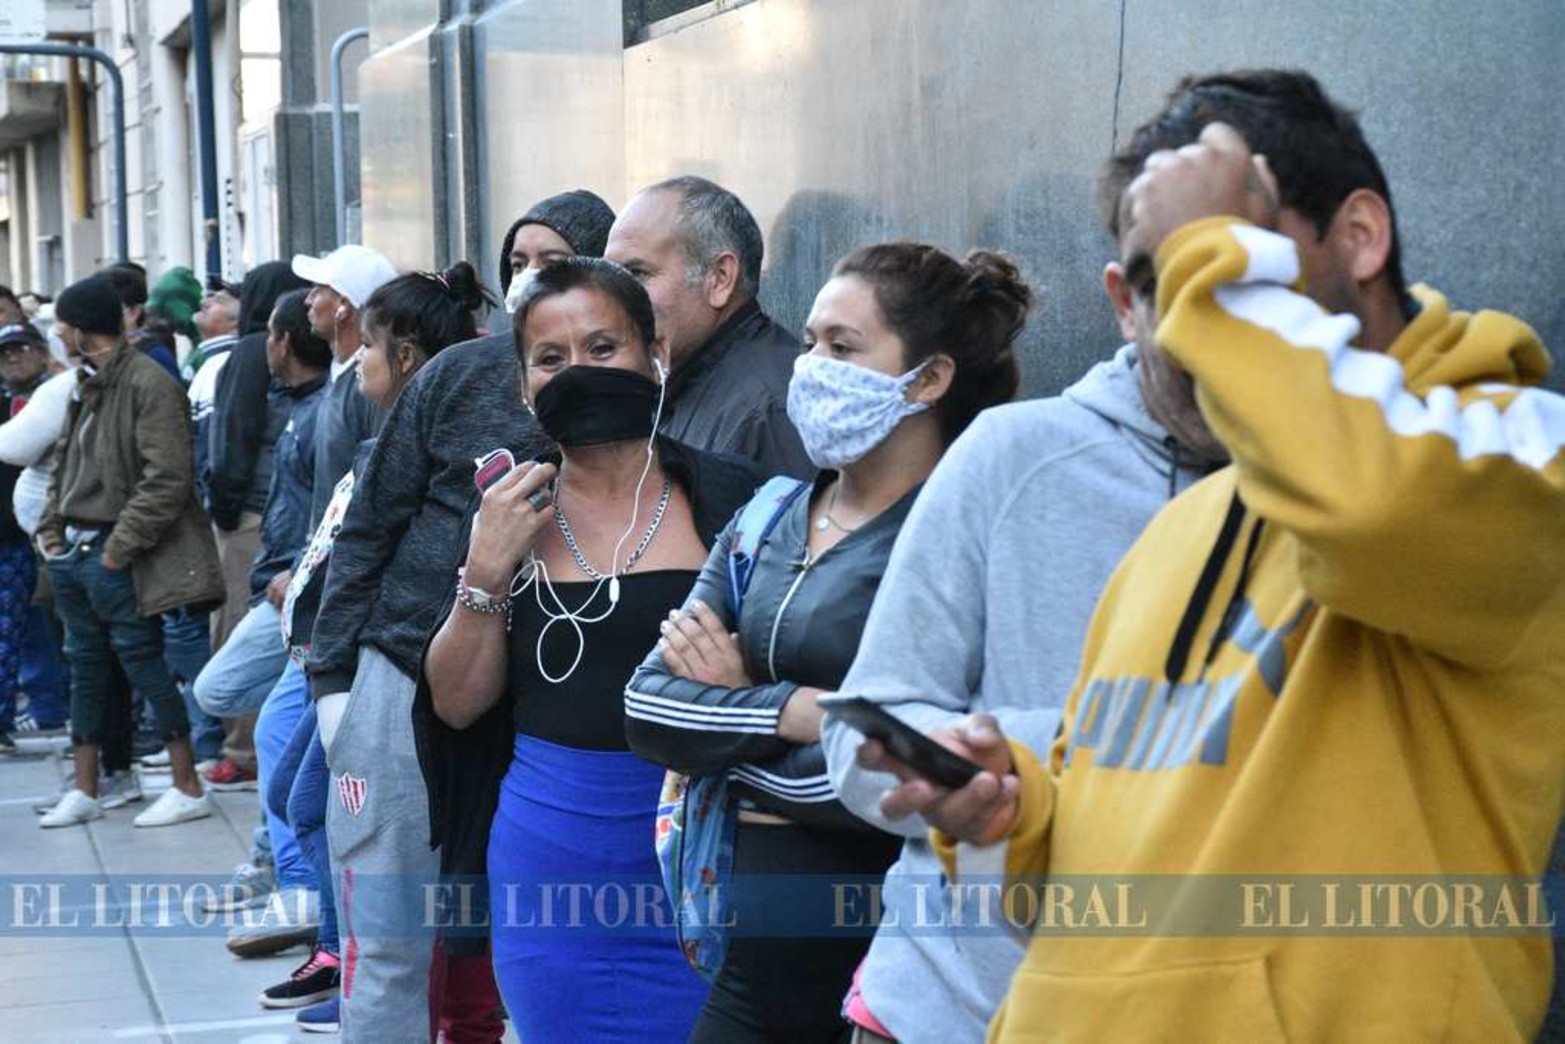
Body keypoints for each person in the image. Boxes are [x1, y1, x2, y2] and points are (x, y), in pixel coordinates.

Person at [865, 70, 1565, 1041]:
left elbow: (1370, 507)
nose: (1180, 322)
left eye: (1225, 254)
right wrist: (1008, 819)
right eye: (1158, 280)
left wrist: (1205, 271)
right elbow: (1075, 894)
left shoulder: (1521, 451)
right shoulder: (1178, 530)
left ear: (1359, 237)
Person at [816, 234, 1227, 1044]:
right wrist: (987, 768)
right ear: (1125, 302)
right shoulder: (1012, 456)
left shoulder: (1352, 501)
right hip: (949, 1006)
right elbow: (857, 732)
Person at [626, 242, 1030, 1042]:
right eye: (810, 341)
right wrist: (808, 714)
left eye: (841, 347)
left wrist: (733, 722)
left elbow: (914, 774)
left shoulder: (961, 536)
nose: (810, 366)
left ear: (929, 378)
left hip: (895, 952)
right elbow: (645, 705)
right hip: (750, 958)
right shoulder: (768, 516)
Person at [422, 256, 763, 1042]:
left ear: (657, 355)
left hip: (704, 853)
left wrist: (743, 681)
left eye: (603, 348)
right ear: (523, 387)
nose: (578, 371)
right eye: (551, 358)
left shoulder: (734, 500)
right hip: (551, 859)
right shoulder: (503, 512)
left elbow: (802, 666)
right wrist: (486, 573)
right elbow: (457, 702)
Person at [305, 192, 612, 1042]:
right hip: (401, 678)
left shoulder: (638, 395)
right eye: (517, 262)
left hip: (540, 705)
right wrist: (335, 684)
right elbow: (368, 526)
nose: (529, 279)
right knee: (391, 938)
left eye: (551, 260)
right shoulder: (458, 374)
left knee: (503, 932)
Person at [34, 273, 225, 829]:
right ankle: (87, 787)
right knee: (87, 670)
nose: (56, 332)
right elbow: (63, 466)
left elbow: (167, 477)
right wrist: (51, 533)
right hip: (75, 552)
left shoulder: (147, 383)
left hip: (115, 555)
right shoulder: (84, 382)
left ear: (79, 328)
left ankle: (188, 785)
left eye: (61, 324)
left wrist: (117, 550)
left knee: (144, 666)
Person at [192, 289, 332, 959]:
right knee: (228, 697)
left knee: (280, 729)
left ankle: (296, 882)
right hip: (281, 581)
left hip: (300, 587)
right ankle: (281, 865)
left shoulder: (338, 404)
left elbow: (339, 512)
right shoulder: (295, 399)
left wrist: (297, 575)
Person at [606, 175, 813, 479]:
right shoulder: (672, 382)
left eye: (636, 273)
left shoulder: (772, 409)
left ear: (719, 278)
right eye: (609, 277)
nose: (611, 298)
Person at [200, 261, 312, 789]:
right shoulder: (253, 352)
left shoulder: (250, 353)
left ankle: (244, 751)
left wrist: (225, 507)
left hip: (253, 516)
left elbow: (233, 437)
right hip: (259, 512)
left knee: (240, 638)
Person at [0, 323, 70, 751]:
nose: (12, 358)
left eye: (21, 349)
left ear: (43, 352)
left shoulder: (64, 392)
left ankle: (48, 707)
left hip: (48, 531)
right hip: (15, 535)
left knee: (33, 631)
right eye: (5, 352)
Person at [293, 244, 396, 529]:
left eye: (318, 290)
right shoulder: (340, 373)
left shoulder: (371, 386)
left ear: (343, 307)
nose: (308, 300)